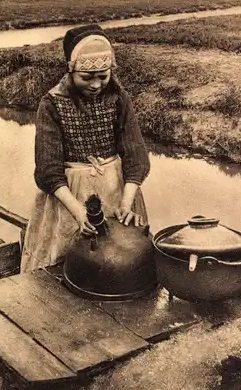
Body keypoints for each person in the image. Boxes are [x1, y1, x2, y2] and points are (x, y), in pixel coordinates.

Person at [21, 24, 150, 272]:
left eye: (103, 76)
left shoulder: (119, 98)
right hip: (69, 195)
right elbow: (48, 169)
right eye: (86, 77)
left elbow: (135, 156)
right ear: (71, 71)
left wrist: (126, 203)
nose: (95, 85)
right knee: (67, 259)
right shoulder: (51, 104)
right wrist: (78, 212)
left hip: (117, 189)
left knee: (121, 259)